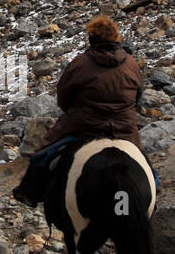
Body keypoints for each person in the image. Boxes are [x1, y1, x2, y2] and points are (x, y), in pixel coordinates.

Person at [13, 15, 143, 205]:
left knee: (43, 154)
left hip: (84, 124)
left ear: (92, 39)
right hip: (124, 127)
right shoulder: (132, 64)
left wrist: (76, 111)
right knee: (144, 162)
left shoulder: (80, 64)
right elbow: (138, 97)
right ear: (116, 38)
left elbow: (63, 99)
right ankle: (153, 190)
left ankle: (29, 193)